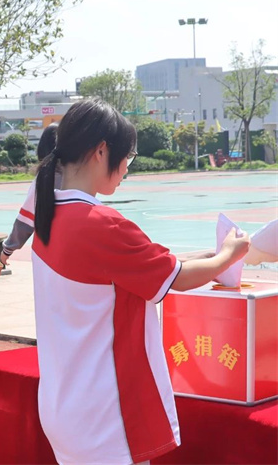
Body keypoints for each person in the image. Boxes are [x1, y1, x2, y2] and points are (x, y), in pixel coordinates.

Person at [30, 99, 250, 465]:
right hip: (104, 415)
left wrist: (209, 257)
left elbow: (151, 266)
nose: (126, 169)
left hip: (64, 407)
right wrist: (228, 254)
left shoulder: (49, 217)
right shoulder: (102, 224)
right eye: (128, 158)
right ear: (102, 151)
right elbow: (178, 279)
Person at [0, 122, 59, 266]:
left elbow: (27, 218)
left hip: (48, 250)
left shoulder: (44, 178)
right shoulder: (77, 175)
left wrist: (7, 249)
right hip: (75, 244)